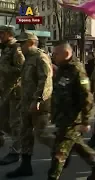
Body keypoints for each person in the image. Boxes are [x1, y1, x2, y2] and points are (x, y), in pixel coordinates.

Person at [47, 41, 95, 180]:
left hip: (72, 118)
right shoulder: (62, 68)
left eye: (56, 54)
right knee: (76, 144)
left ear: (66, 54)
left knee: (58, 153)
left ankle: (52, 176)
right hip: (62, 117)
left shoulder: (77, 70)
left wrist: (85, 121)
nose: (53, 56)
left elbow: (87, 97)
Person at [6, 32, 55, 178]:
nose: (20, 47)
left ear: (31, 43)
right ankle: (25, 166)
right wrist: (22, 101)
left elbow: (46, 80)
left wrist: (38, 100)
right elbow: (26, 82)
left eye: (22, 43)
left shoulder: (41, 57)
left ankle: (61, 151)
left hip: (39, 105)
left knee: (42, 134)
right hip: (27, 103)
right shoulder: (28, 59)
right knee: (25, 134)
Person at [0, 25, 24, 165]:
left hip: (15, 92)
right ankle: (19, 139)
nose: (0, 36)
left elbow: (22, 69)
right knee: (2, 120)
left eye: (2, 34)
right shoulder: (6, 48)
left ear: (9, 34)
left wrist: (3, 67)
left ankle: (16, 151)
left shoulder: (16, 49)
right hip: (5, 91)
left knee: (15, 123)